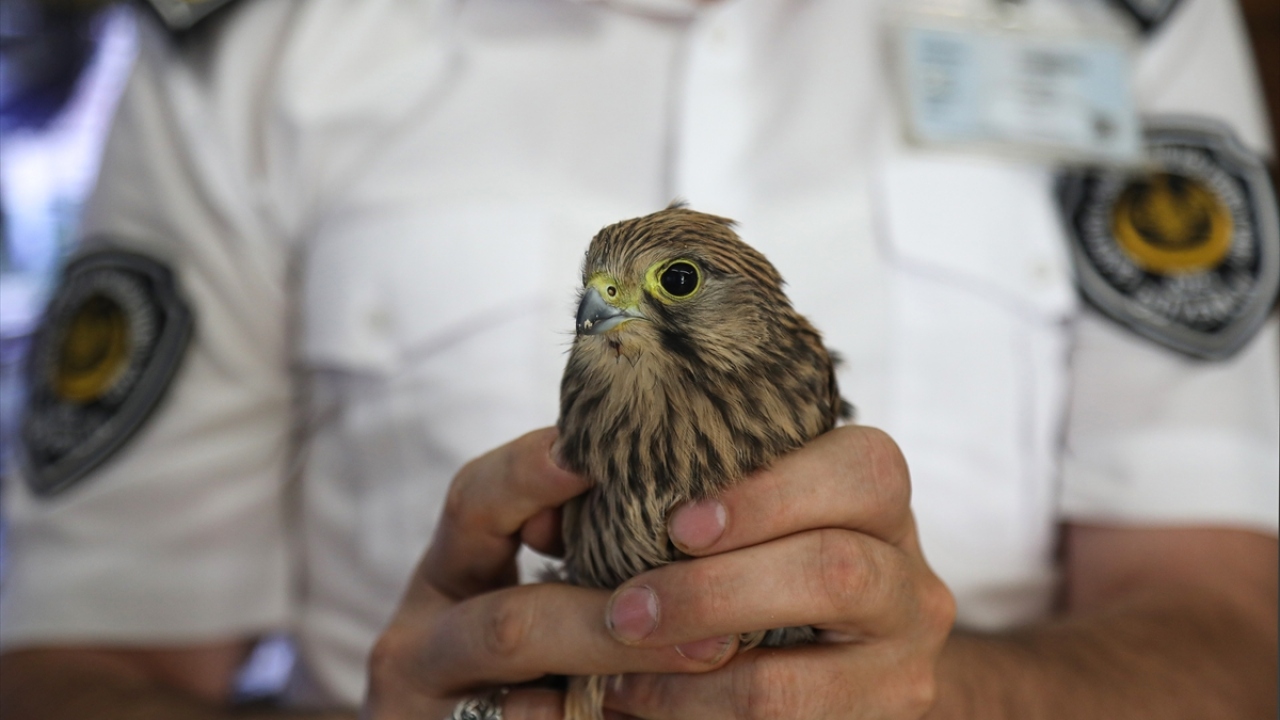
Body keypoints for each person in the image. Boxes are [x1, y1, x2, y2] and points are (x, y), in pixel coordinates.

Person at [1, 0, 1277, 718]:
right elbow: (77, 663)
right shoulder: (251, 42)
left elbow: (1229, 633)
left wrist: (943, 698)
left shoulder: (1132, 22)